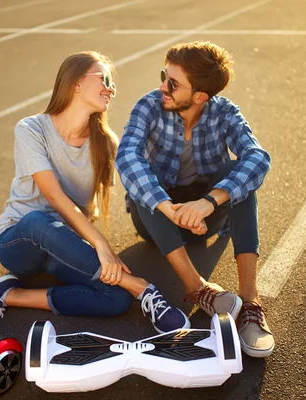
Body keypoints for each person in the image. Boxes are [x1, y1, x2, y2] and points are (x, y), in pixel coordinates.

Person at [0, 51, 189, 334]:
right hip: (20, 241)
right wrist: (102, 247)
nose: (110, 88)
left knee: (115, 299)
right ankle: (143, 289)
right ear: (75, 82)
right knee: (39, 220)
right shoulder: (32, 129)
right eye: (104, 78)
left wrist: (172, 207)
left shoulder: (106, 144)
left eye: (112, 83)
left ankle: (8, 295)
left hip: (63, 248)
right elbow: (53, 196)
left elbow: (112, 198)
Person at [115, 41, 274, 357]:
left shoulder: (224, 112)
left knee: (239, 171)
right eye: (164, 76)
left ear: (201, 96)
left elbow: (258, 157)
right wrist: (169, 209)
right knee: (142, 180)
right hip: (157, 217)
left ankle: (250, 301)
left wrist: (208, 203)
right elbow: (127, 155)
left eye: (172, 83)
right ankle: (195, 286)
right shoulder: (149, 105)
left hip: (204, 214)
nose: (163, 86)